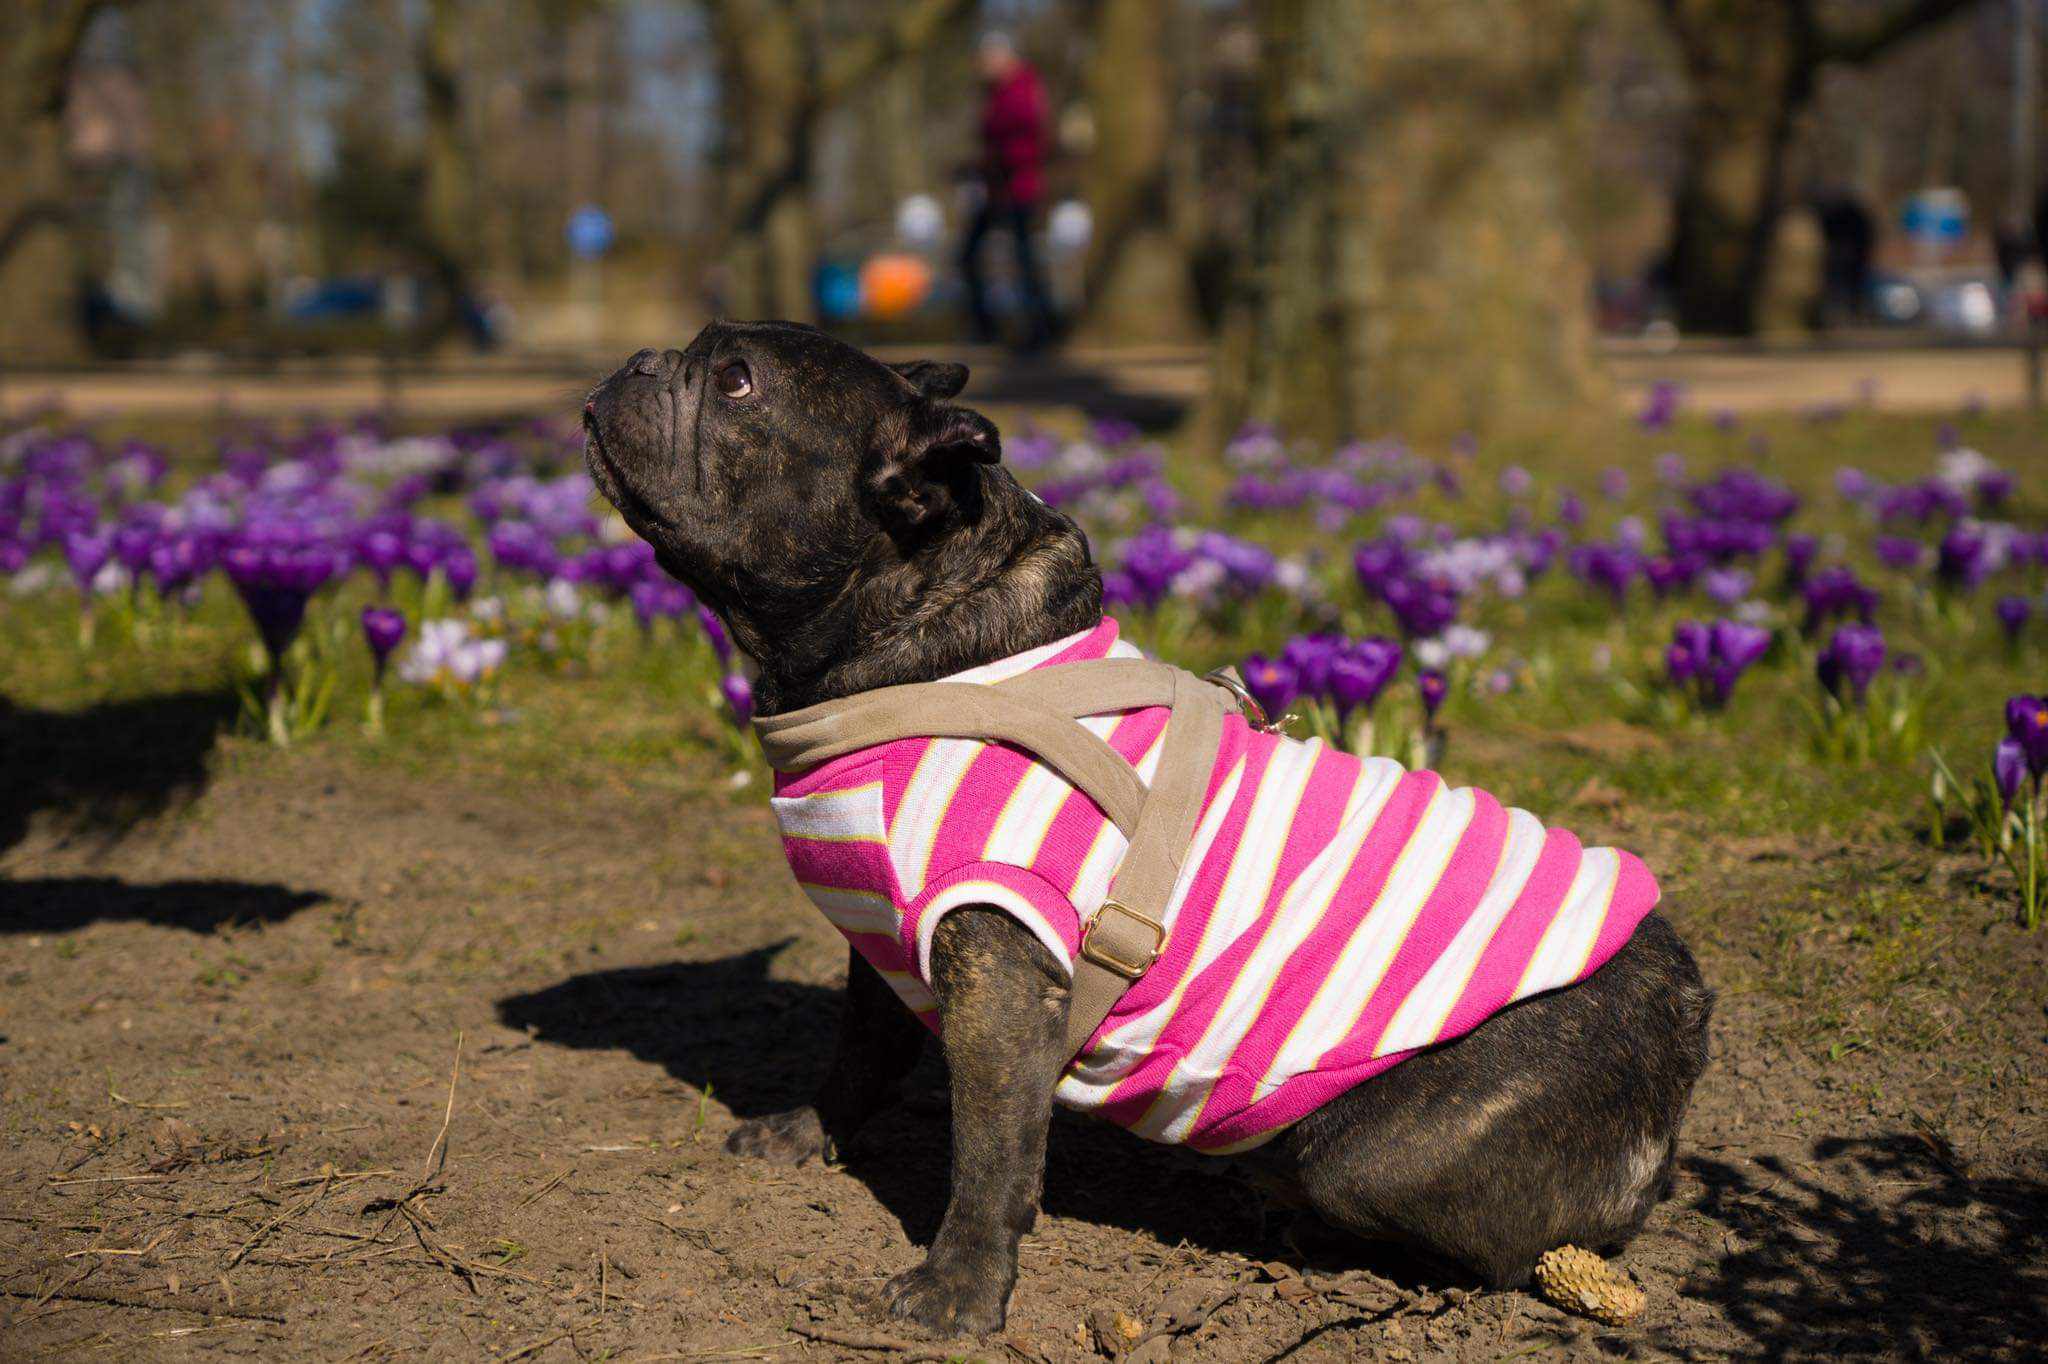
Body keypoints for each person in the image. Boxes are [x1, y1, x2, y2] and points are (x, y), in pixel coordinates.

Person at [962, 32, 1057, 350]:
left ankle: (1039, 330)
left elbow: (1027, 135)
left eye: (988, 61)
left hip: (1018, 187)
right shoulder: (998, 92)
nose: (984, 68)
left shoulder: (1022, 89)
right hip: (997, 189)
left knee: (1024, 260)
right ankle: (991, 328)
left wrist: (998, 160)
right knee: (973, 255)